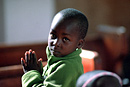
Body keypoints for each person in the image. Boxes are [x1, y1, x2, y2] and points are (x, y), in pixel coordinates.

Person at [21, 8, 89, 87]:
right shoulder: (58, 59)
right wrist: (39, 73)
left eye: (65, 39)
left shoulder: (66, 67)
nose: (56, 43)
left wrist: (30, 73)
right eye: (53, 35)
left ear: (79, 44)